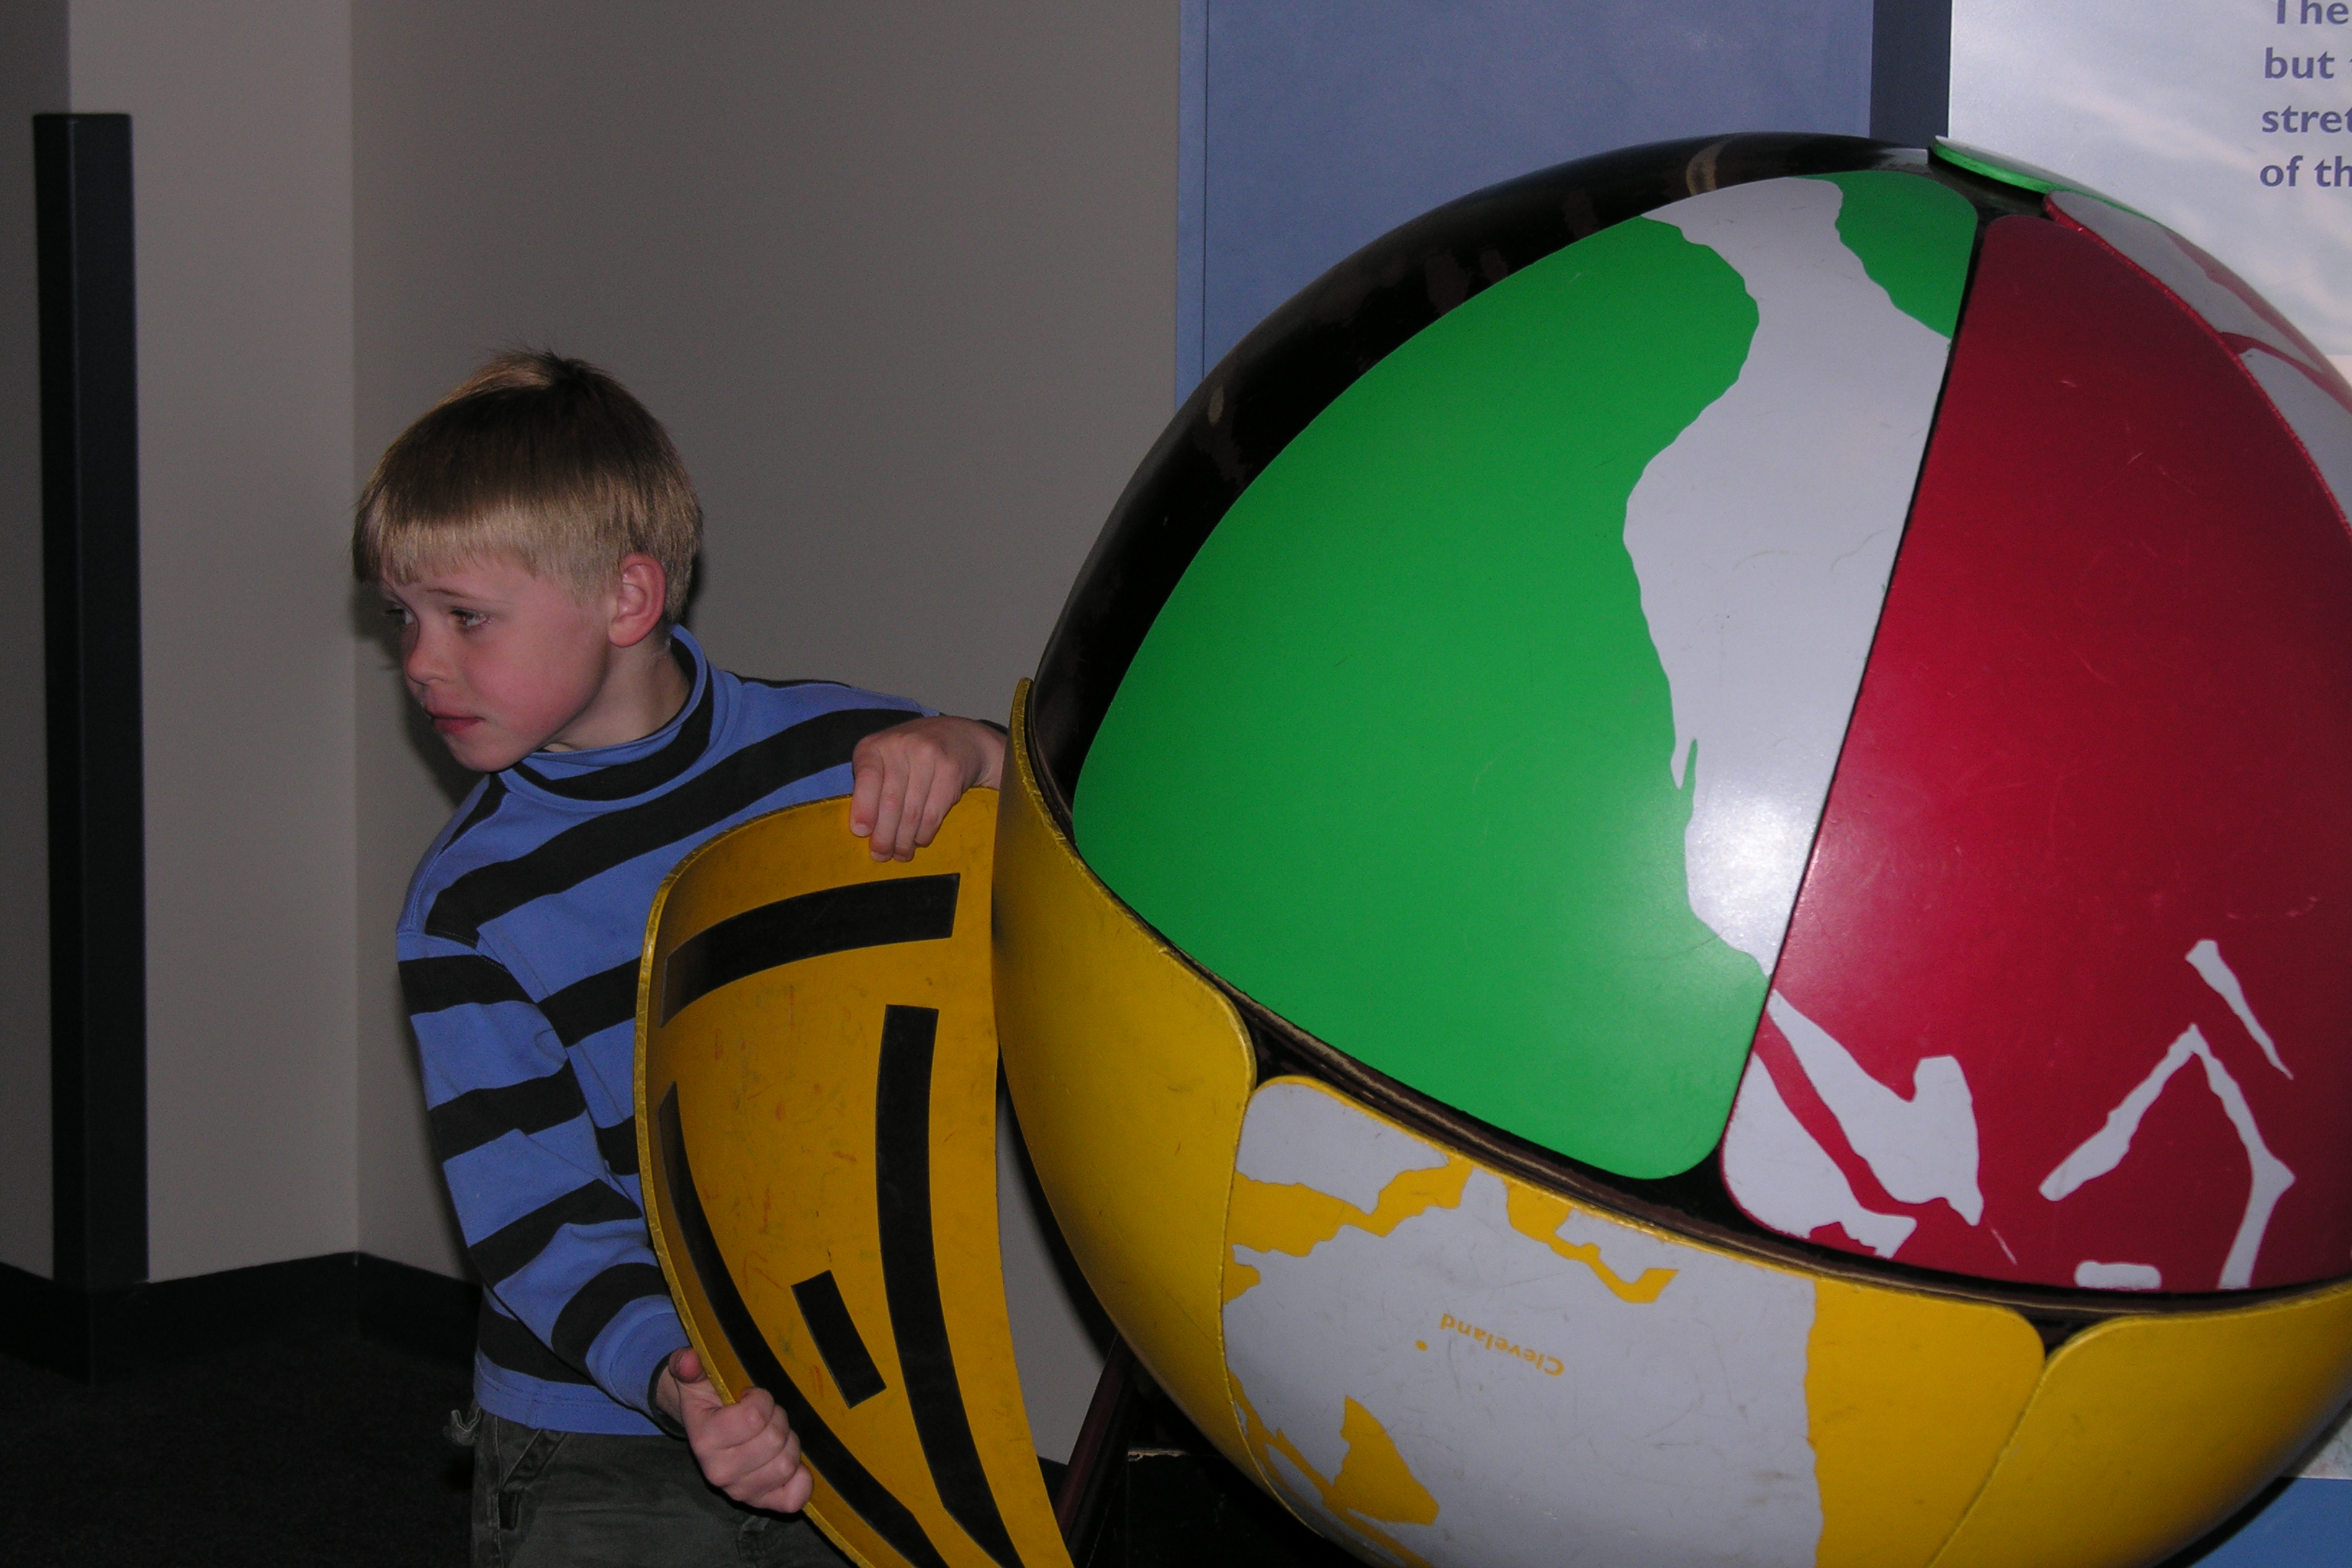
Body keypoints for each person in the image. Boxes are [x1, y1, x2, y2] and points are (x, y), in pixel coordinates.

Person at [355, 349, 1005, 1566]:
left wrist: (973, 750)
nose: (421, 661)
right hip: (599, 1425)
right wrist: (675, 1371)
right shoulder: (466, 905)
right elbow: (532, 1213)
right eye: (404, 616)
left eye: (465, 616)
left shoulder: (836, 759)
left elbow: (1066, 843)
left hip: (843, 1378)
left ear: (629, 598)